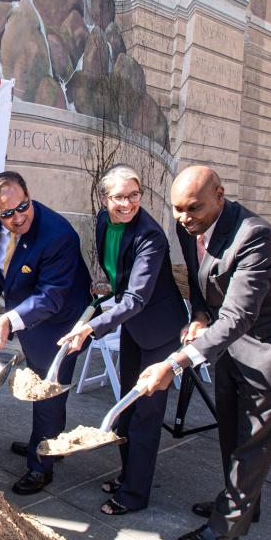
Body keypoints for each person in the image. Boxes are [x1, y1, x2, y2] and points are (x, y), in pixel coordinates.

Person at [136, 165, 271, 540]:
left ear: (220, 194)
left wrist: (176, 363)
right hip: (230, 342)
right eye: (177, 209)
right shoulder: (192, 228)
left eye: (194, 208)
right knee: (231, 428)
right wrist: (199, 316)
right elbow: (202, 286)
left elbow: (238, 314)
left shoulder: (256, 237)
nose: (184, 219)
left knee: (254, 439)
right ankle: (243, 502)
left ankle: (227, 526)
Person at [57, 164, 187, 515]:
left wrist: (92, 327)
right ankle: (129, 475)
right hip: (134, 326)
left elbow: (136, 298)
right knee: (127, 408)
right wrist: (107, 287)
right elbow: (117, 272)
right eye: (119, 197)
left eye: (134, 195)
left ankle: (134, 495)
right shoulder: (103, 221)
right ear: (104, 199)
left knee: (146, 412)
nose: (127, 203)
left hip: (159, 331)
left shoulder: (151, 236)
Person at [0, 171, 91, 495]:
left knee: (48, 393)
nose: (18, 217)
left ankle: (40, 466)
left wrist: (6, 320)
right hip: (29, 321)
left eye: (23, 206)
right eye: (7, 213)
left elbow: (51, 297)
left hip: (60, 325)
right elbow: (7, 260)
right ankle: (46, 442)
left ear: (29, 195)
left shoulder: (58, 235)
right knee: (47, 395)